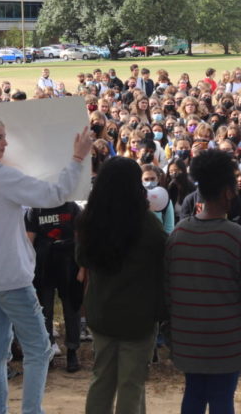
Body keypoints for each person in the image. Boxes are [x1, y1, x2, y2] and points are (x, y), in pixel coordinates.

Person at [0, 115, 91, 414]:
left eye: (4, 136)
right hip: (10, 276)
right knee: (39, 349)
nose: (5, 143)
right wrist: (77, 158)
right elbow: (53, 195)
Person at [166, 150, 241, 414]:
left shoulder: (179, 234)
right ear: (227, 192)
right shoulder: (239, 238)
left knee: (193, 396)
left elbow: (168, 291)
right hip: (228, 345)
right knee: (223, 400)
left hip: (187, 342)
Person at [76, 157, 167, 414]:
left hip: (102, 312)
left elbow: (81, 259)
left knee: (101, 379)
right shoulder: (148, 224)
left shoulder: (90, 221)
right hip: (139, 317)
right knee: (131, 384)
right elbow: (163, 260)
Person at [25, 200, 84, 373]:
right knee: (44, 311)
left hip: (69, 264)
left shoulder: (72, 208)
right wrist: (27, 270)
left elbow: (81, 239)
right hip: (43, 265)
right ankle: (47, 350)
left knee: (71, 308)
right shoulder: (35, 210)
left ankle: (72, 351)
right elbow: (28, 243)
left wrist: (82, 268)